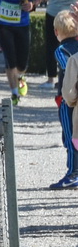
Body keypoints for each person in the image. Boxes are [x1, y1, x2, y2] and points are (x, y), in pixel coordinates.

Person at [40, 0, 77, 84]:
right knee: (71, 46)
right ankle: (69, 77)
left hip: (54, 13)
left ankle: (51, 78)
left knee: (51, 46)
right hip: (71, 14)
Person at [51, 11, 78, 189]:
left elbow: (66, 68)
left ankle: (73, 173)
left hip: (68, 99)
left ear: (56, 32)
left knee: (69, 137)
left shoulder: (61, 50)